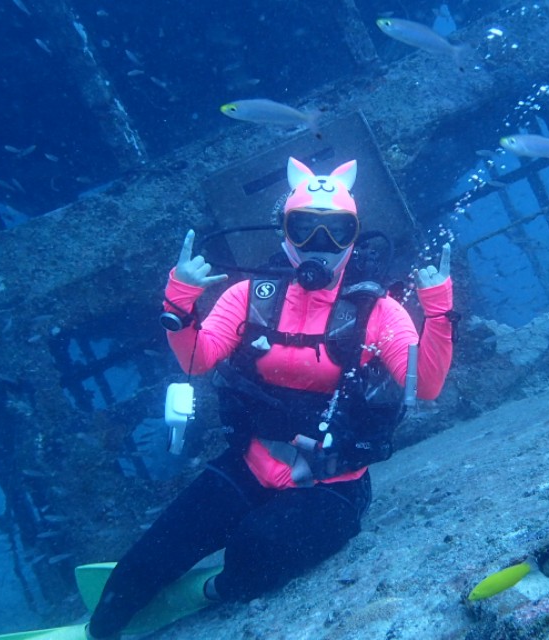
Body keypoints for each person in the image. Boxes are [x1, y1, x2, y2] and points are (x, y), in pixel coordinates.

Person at [84, 157, 455, 639]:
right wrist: (179, 300)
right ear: (285, 233)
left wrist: (439, 312)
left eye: (336, 232)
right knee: (146, 561)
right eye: (305, 230)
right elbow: (198, 359)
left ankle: (213, 589)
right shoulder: (247, 296)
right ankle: (98, 630)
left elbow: (424, 386)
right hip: (251, 463)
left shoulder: (378, 312)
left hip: (332, 483)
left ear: (354, 237)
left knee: (254, 549)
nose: (320, 246)